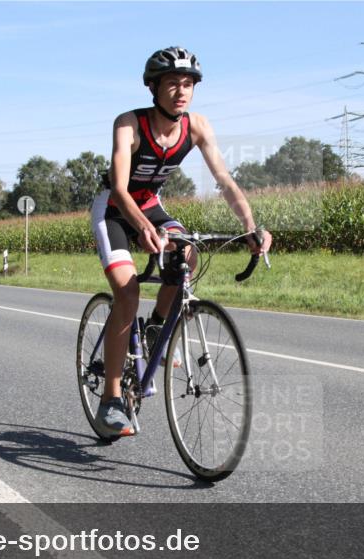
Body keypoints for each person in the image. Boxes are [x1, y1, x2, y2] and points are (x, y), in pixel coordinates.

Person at [89, 46, 272, 437]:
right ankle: (110, 399)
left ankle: (157, 327)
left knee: (187, 250)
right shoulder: (129, 124)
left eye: (188, 84)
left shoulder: (198, 126)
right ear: (153, 87)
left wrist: (251, 227)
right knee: (127, 291)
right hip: (115, 209)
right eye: (172, 83)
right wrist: (142, 228)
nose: (181, 91)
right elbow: (120, 188)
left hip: (152, 204)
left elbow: (224, 180)